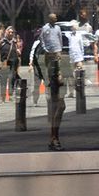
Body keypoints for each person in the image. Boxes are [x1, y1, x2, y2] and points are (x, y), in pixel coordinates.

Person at [39, 13, 66, 150]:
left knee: (58, 109)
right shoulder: (45, 29)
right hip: (54, 90)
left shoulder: (58, 30)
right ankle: (54, 138)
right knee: (57, 108)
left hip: (56, 88)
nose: (55, 19)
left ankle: (54, 138)